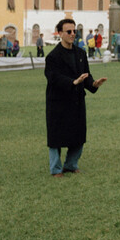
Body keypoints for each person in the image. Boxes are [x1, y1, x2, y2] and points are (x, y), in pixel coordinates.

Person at [44, 18, 106, 177]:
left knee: (78, 136)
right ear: (60, 33)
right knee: (56, 138)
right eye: (69, 31)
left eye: (75, 31)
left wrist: (93, 84)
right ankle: (56, 169)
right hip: (58, 101)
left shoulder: (80, 53)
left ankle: (71, 165)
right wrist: (72, 82)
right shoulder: (53, 57)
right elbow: (53, 77)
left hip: (77, 101)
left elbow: (86, 75)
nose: (73, 34)